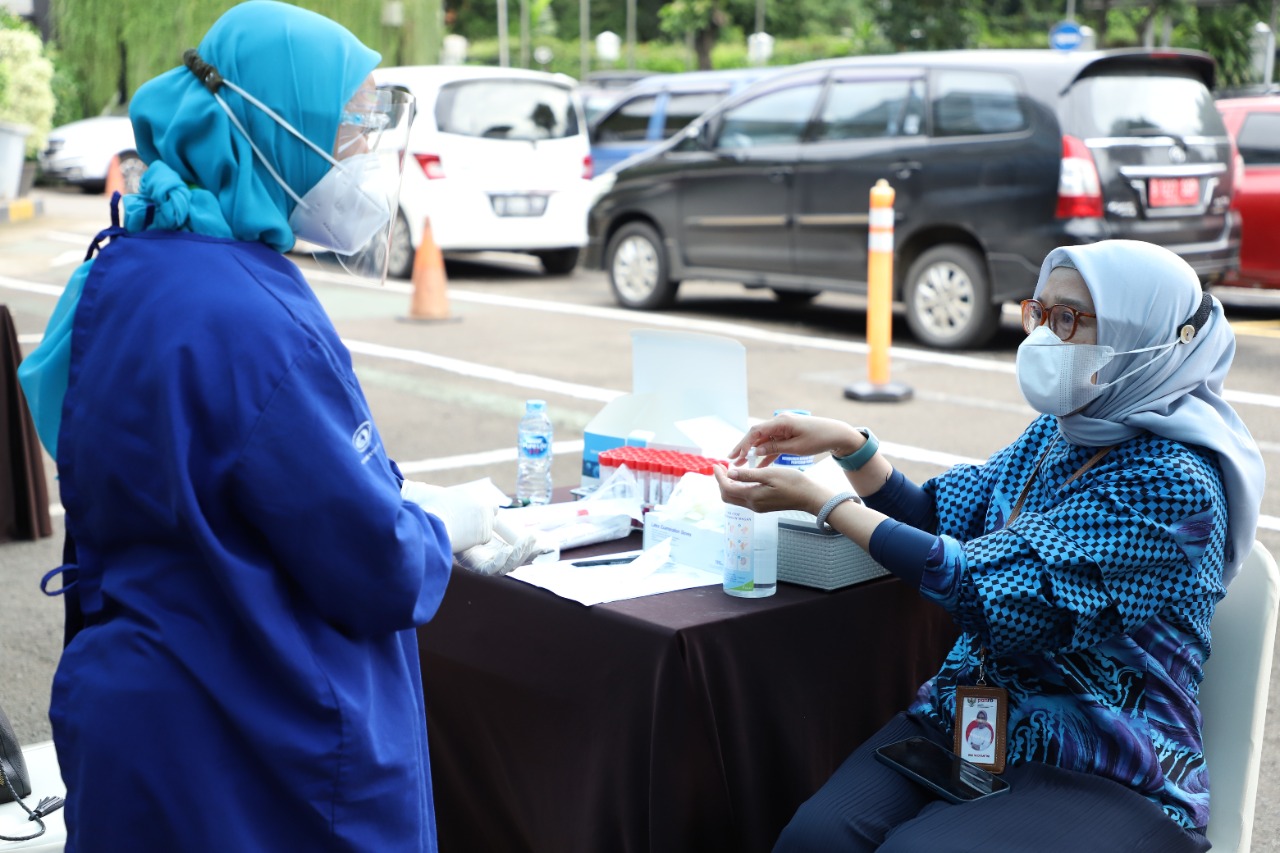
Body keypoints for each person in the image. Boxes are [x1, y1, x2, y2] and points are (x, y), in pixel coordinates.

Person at [15, 2, 519, 849]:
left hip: (141, 712)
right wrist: (440, 525)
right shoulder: (253, 315)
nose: (366, 156)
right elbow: (372, 563)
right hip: (252, 744)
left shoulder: (136, 262)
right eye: (355, 126)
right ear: (278, 126)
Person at [715, 240, 1265, 852]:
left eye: (1070, 319)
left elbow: (982, 587)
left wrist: (825, 503)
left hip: (1110, 765)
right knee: (814, 839)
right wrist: (852, 446)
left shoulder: (1174, 483)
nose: (1044, 338)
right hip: (976, 725)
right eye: (1041, 312)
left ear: (1145, 339)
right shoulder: (1060, 434)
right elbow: (938, 518)